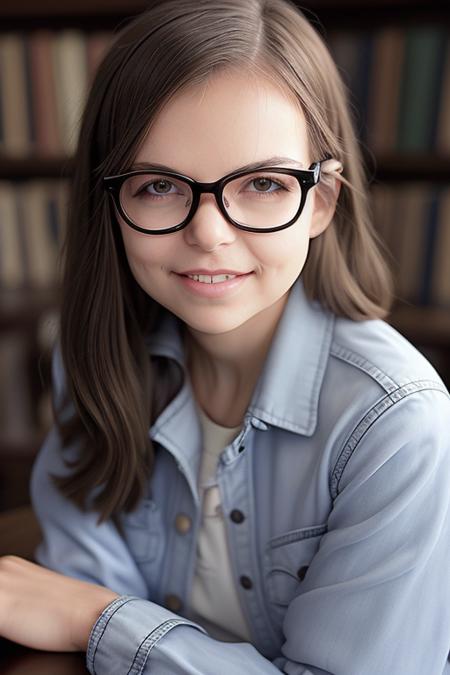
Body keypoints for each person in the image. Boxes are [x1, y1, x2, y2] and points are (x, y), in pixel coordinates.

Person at [0, 0, 449, 673]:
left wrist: (96, 620)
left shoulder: (398, 427)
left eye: (264, 183)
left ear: (321, 200)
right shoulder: (91, 354)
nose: (209, 233)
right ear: (110, 202)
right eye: (158, 186)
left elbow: (79, 609)